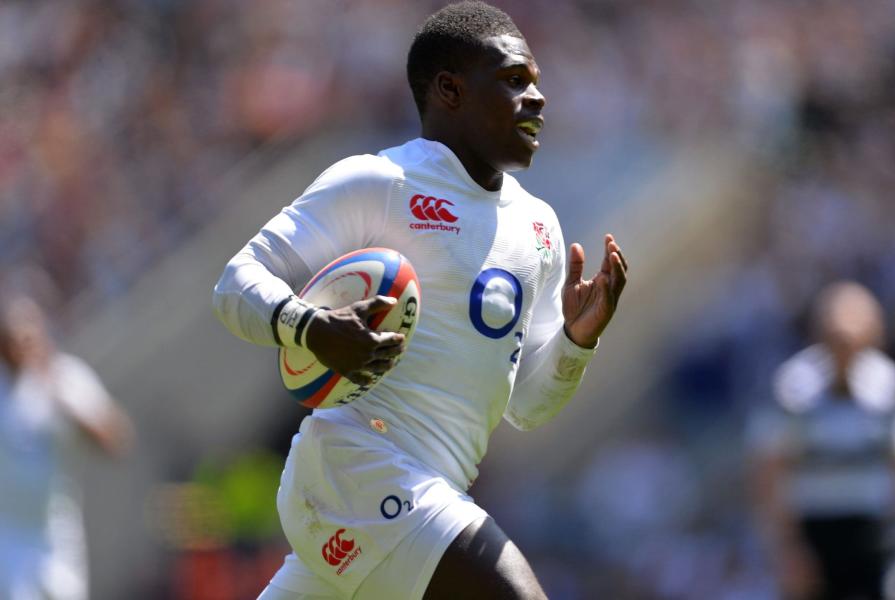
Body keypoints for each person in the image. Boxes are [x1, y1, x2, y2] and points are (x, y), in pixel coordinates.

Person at [212, 2, 627, 598]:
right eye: (514, 80)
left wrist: (576, 342)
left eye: (536, 82)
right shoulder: (380, 182)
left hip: (420, 497)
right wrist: (310, 327)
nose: (536, 98)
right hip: (359, 469)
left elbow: (529, 406)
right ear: (449, 90)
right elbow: (236, 282)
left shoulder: (540, 230)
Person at [749, 282, 895, 600]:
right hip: (817, 536)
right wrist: (785, 549)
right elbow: (768, 475)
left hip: (877, 531)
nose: (846, 353)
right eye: (836, 341)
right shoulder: (792, 391)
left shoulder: (888, 387)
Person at [0, 294, 134, 600]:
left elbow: (116, 440)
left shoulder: (67, 377)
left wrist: (66, 405)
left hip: (57, 531)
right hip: (9, 534)